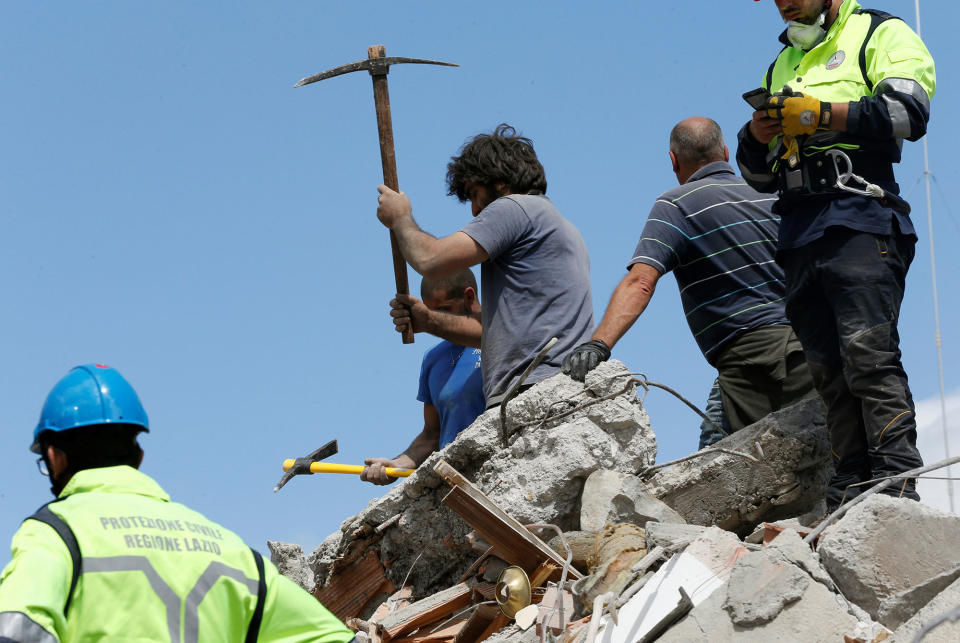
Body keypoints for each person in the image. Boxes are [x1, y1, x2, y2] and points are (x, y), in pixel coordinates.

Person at [736, 0, 935, 506]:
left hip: (861, 218)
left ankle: (896, 482)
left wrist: (822, 113)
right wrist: (756, 137)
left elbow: (908, 113)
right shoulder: (782, 61)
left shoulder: (878, 32)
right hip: (801, 230)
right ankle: (851, 488)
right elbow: (759, 177)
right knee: (826, 373)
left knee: (867, 356)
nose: (783, 2)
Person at [0, 363, 354, 643]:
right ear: (138, 455)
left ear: (53, 457)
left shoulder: (56, 534)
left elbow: (13, 632)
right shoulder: (231, 551)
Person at [563, 117, 814, 448]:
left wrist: (598, 345)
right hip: (808, 347)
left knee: (730, 467)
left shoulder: (676, 205)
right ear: (724, 152)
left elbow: (640, 281)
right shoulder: (770, 194)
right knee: (821, 458)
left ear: (673, 160)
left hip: (751, 361)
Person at [377, 123, 594, 407]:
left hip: (532, 390)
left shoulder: (515, 209)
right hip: (555, 388)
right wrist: (429, 321)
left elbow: (430, 260)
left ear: (500, 183)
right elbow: (496, 337)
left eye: (474, 193)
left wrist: (400, 218)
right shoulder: (560, 227)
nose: (475, 210)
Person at [362, 270, 485, 485]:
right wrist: (397, 464)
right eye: (430, 312)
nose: (434, 320)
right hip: (455, 483)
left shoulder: (504, 339)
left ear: (469, 296)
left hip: (499, 470)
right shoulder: (434, 358)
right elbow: (432, 434)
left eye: (444, 310)